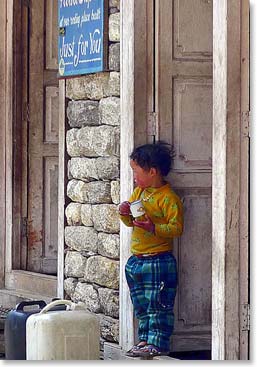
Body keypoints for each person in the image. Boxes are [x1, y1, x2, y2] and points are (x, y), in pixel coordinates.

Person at [119, 141, 184, 357]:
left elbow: (176, 228)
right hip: (137, 261)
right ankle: (145, 339)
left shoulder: (168, 198)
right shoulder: (139, 193)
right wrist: (124, 212)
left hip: (158, 260)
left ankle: (158, 343)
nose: (134, 178)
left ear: (153, 172)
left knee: (158, 304)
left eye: (137, 173)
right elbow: (130, 222)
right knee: (142, 305)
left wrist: (153, 227)